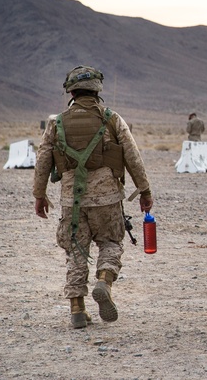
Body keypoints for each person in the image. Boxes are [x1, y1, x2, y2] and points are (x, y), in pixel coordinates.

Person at [31, 65, 154, 329]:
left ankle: (77, 309)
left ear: (71, 91)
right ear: (97, 90)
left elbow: (42, 160)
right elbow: (133, 156)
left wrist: (39, 196)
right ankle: (104, 280)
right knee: (111, 242)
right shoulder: (112, 118)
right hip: (107, 198)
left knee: (76, 250)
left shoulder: (57, 122)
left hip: (71, 201)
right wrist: (144, 191)